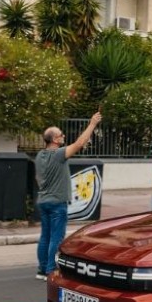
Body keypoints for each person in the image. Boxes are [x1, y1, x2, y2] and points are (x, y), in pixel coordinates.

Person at [35, 111, 103, 280]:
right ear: (55, 140)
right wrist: (93, 123)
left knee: (45, 236)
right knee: (56, 238)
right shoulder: (58, 154)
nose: (63, 136)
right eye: (61, 135)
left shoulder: (40, 155)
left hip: (43, 201)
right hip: (57, 202)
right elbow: (80, 143)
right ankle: (51, 270)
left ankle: (42, 269)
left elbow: (38, 178)